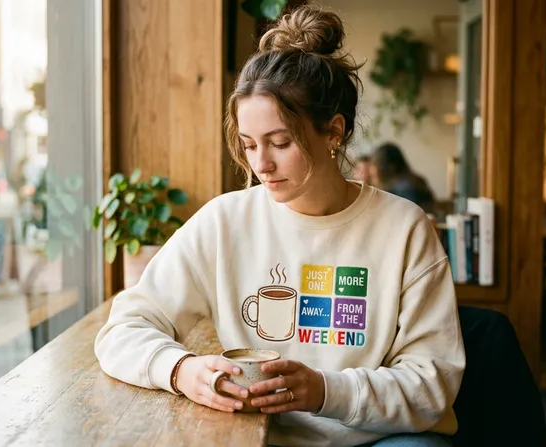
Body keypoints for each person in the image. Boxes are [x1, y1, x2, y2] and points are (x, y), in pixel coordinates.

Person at [94, 5, 464, 447]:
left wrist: (324, 391)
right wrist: (181, 371)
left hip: (376, 440)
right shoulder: (225, 221)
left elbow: (432, 384)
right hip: (256, 436)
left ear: (334, 133)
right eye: (250, 145)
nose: (261, 165)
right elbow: (123, 329)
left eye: (281, 142)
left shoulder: (404, 229)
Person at [371, 143, 436, 214]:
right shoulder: (416, 180)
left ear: (384, 167)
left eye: (375, 165)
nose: (371, 171)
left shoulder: (402, 189)